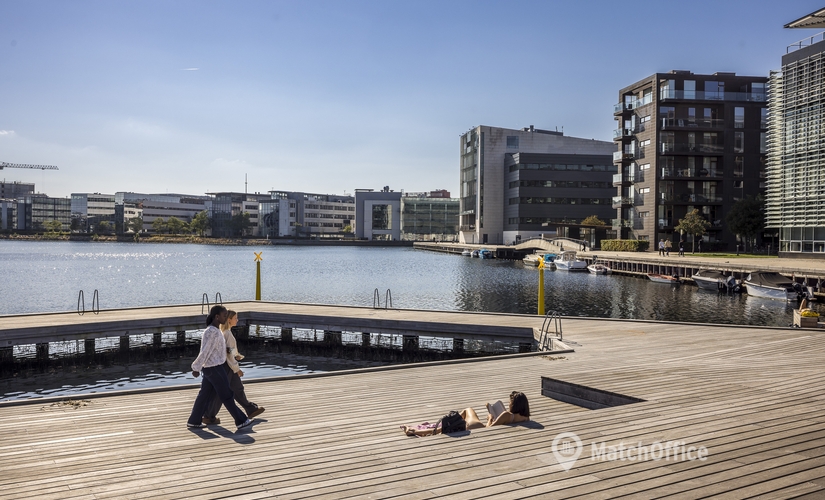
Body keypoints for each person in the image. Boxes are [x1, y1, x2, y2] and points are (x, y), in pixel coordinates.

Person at [186, 305, 254, 431]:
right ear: (217, 317)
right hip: (214, 369)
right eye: (224, 315)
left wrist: (228, 351)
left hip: (211, 368)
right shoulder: (212, 332)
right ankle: (241, 420)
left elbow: (213, 350)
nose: (226, 317)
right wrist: (196, 367)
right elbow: (205, 352)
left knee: (204, 395)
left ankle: (194, 421)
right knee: (227, 395)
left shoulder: (215, 331)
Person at [202, 310, 266, 425]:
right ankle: (209, 416)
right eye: (235, 318)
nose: (237, 320)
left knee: (236, 389)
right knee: (222, 392)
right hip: (228, 367)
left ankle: (250, 409)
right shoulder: (228, 334)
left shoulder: (224, 332)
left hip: (225, 365)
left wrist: (237, 355)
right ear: (229, 320)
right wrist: (237, 369)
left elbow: (229, 351)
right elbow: (228, 355)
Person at [401, 391, 530, 437]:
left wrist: (490, 418)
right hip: (478, 426)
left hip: (478, 427)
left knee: (466, 410)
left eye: (510, 403)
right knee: (447, 427)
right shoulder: (525, 418)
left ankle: (412, 431)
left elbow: (490, 429)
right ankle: (450, 423)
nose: (508, 405)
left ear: (514, 405)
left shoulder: (507, 415)